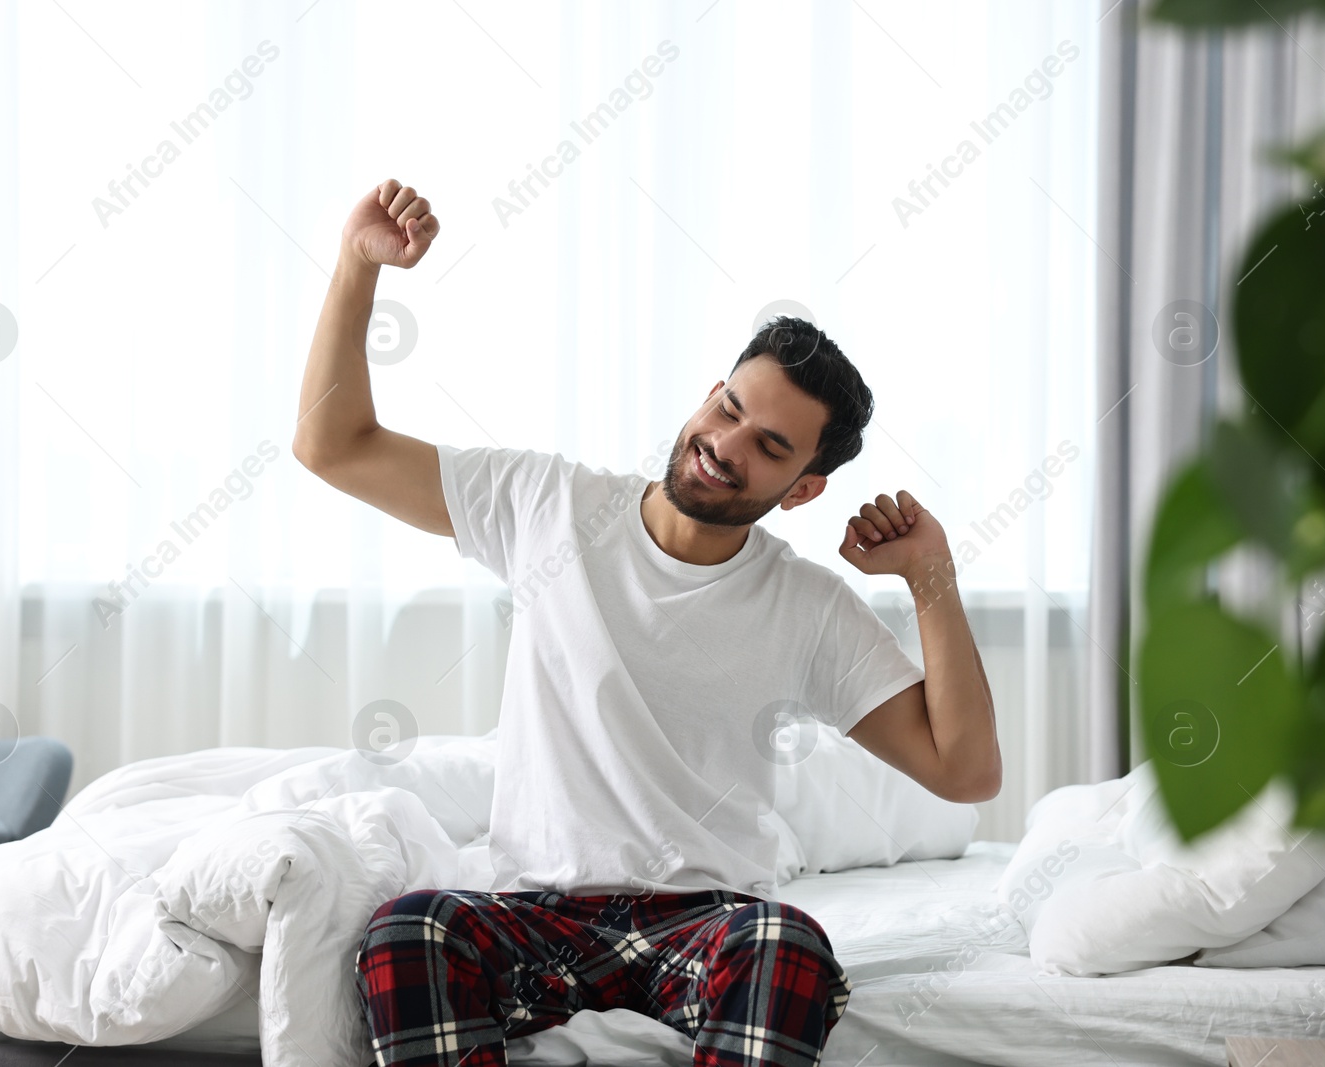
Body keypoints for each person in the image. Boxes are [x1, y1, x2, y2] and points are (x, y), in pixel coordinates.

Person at [293, 179, 1001, 1067]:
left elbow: (967, 771)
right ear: (710, 394)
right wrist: (360, 267)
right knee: (408, 933)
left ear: (804, 488)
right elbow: (334, 445)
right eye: (730, 409)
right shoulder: (546, 502)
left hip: (706, 924)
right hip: (535, 914)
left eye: (770, 446)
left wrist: (930, 576)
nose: (726, 444)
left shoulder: (807, 605)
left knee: (790, 950)